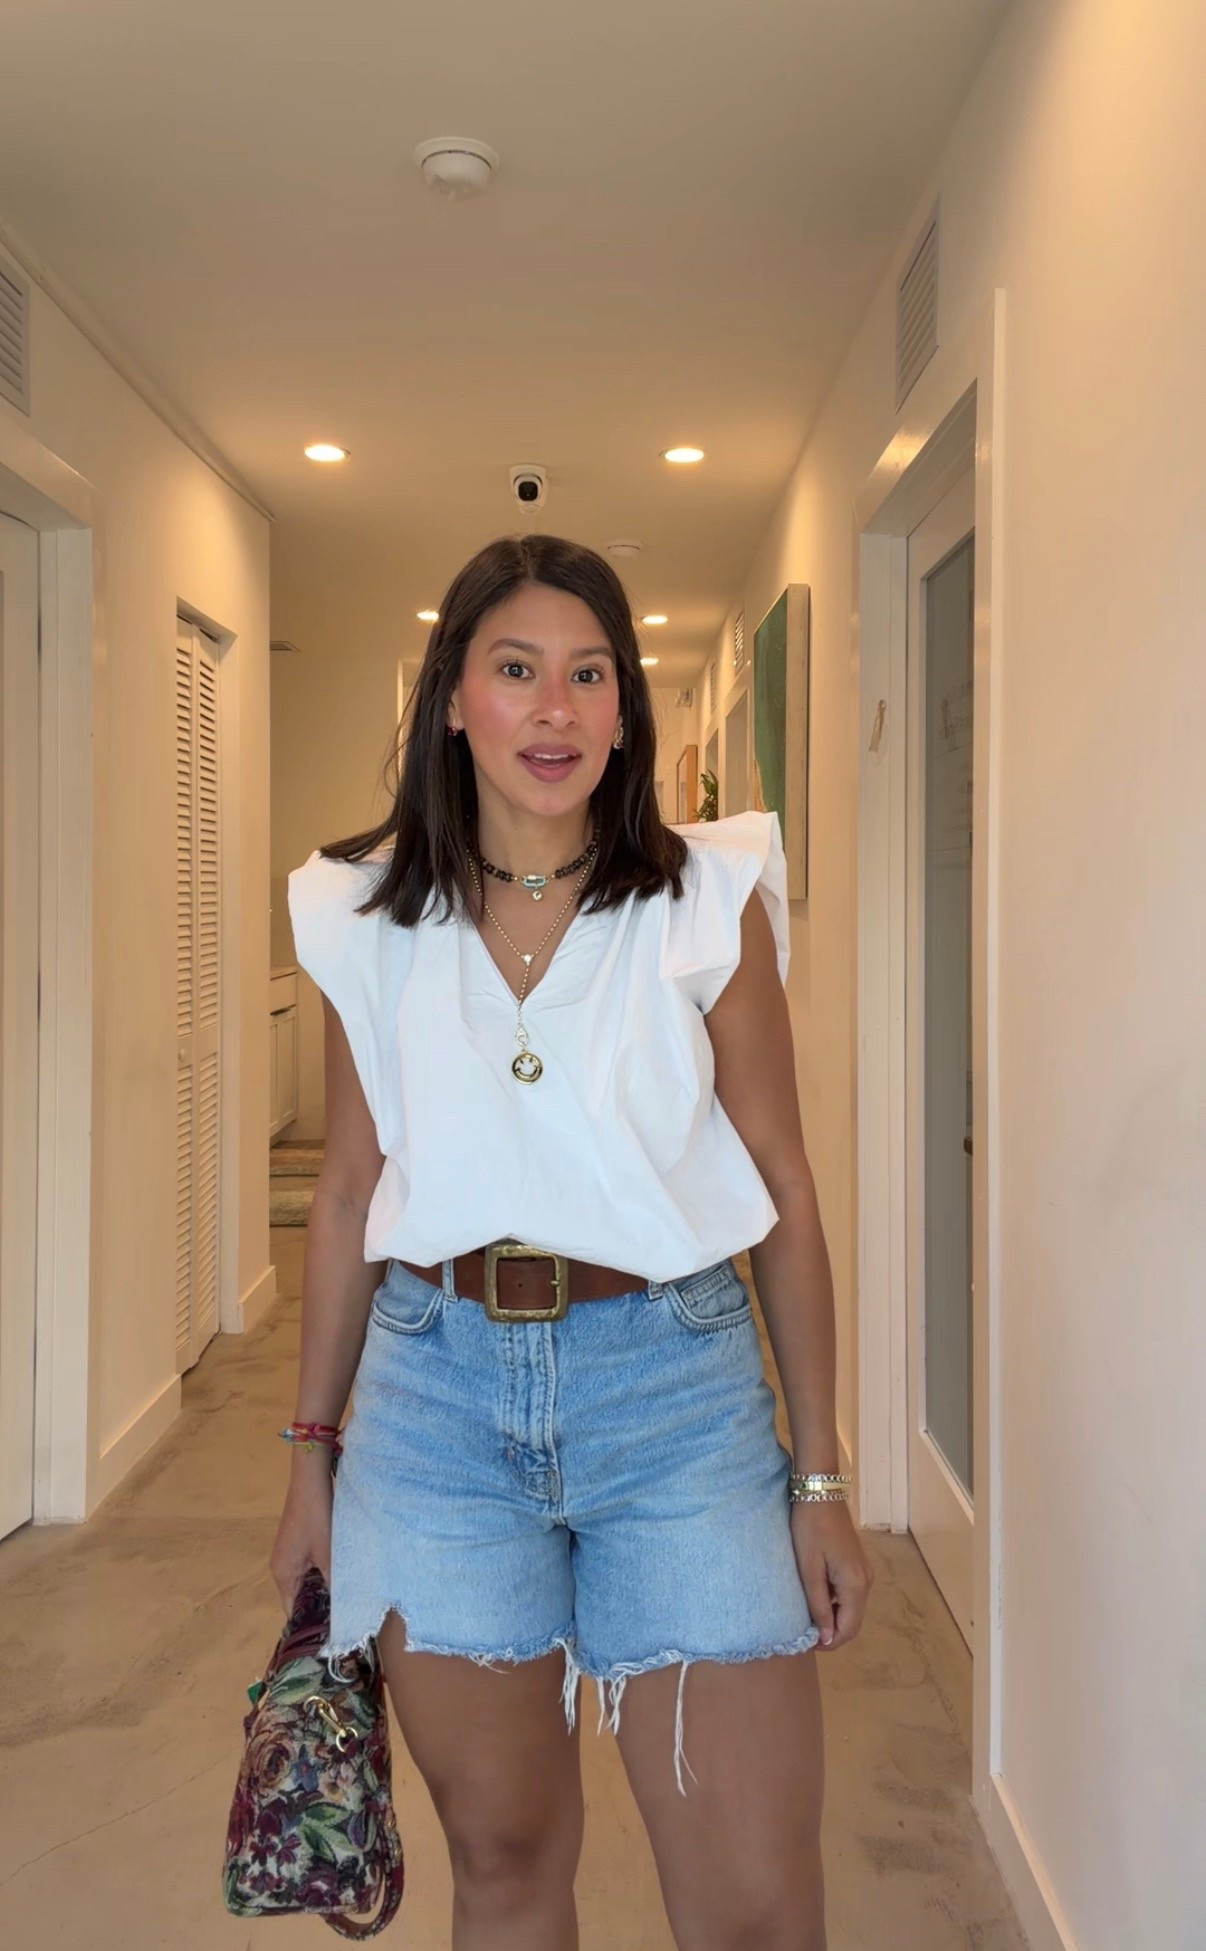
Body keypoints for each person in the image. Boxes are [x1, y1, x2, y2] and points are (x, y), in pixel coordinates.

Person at [271, 532, 873, 1951]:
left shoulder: (702, 903)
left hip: (675, 1399)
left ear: (623, 708)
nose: (555, 709)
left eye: (589, 674)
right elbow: (349, 1195)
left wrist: (819, 1474)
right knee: (503, 1861)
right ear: (453, 700)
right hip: (433, 1411)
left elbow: (783, 1187)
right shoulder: (369, 917)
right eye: (517, 669)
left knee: (752, 1905)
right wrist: (310, 1459)